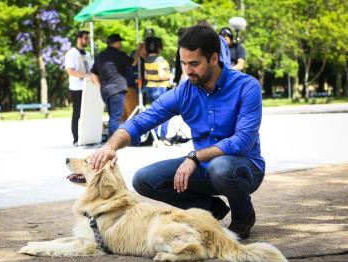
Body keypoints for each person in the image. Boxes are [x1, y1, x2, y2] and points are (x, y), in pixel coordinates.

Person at [90, 24, 265, 240]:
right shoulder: (184, 91)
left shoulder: (247, 87)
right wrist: (110, 146)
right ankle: (212, 210)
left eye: (194, 64)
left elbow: (242, 141)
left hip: (244, 168)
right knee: (144, 179)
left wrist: (194, 157)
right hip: (202, 167)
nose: (187, 70)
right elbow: (142, 121)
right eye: (183, 63)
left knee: (221, 167)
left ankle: (243, 217)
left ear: (213, 58)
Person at [91, 33, 137, 138]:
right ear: (115, 43)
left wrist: (99, 86)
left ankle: (112, 140)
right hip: (117, 88)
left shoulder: (99, 56)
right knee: (116, 117)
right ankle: (113, 142)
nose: (120, 44)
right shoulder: (119, 54)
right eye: (119, 42)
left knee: (112, 116)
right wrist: (139, 50)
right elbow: (133, 62)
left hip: (105, 90)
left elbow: (93, 73)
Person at [64, 30, 92, 146]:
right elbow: (70, 71)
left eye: (88, 38)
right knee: (77, 114)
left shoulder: (88, 54)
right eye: (85, 38)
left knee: (88, 114)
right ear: (79, 39)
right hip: (77, 89)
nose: (87, 40)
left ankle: (87, 138)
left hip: (88, 88)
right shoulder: (72, 53)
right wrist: (86, 76)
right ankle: (76, 139)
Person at [143, 37, 172, 141]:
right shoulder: (160, 60)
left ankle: (154, 136)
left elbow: (145, 76)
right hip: (160, 88)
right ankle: (163, 136)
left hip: (150, 87)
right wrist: (170, 76)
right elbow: (161, 75)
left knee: (154, 113)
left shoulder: (147, 60)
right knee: (166, 112)